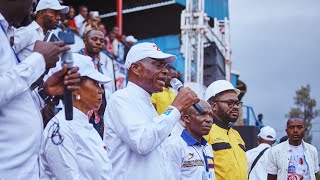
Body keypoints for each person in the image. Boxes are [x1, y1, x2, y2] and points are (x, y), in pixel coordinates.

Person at [0, 0, 80, 179]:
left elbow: (13, 95)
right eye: (54, 12)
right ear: (43, 13)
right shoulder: (27, 32)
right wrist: (39, 60)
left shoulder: (6, 32)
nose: (33, 2)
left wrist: (45, 92)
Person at [103, 42, 200, 180]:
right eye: (158, 65)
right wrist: (176, 108)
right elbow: (143, 143)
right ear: (136, 68)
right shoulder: (121, 99)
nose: (165, 71)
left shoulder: (147, 103)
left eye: (164, 66)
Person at [40, 54, 112, 179]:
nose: (101, 90)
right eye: (95, 84)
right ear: (75, 89)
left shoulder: (84, 125)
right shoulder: (62, 128)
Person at [204, 80, 248, 180]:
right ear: (213, 106)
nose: (236, 107)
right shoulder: (205, 132)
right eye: (230, 103)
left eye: (237, 103)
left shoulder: (237, 135)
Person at [166, 100, 216, 180]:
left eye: (211, 115)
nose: (209, 120)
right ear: (186, 118)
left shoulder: (207, 147)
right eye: (202, 114)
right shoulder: (174, 146)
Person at [79, 29, 116, 136]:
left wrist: (102, 117)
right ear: (85, 41)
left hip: (95, 118)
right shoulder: (75, 59)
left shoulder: (98, 63)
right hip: (79, 116)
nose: (99, 42)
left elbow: (101, 91)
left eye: (101, 40)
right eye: (94, 39)